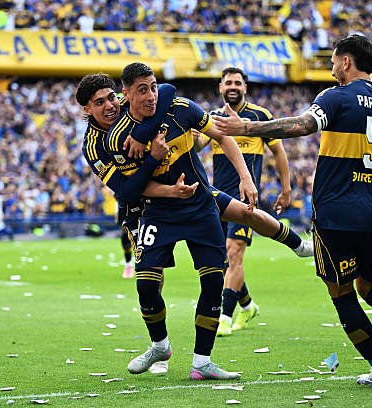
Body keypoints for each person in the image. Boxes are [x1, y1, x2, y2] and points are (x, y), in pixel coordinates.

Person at [213, 35, 372, 386]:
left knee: (342, 293)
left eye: (333, 62)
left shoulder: (335, 97)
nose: (332, 69)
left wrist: (247, 127)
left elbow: (302, 125)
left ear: (346, 62)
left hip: (335, 215)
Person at [106, 62, 261, 381]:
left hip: (200, 206)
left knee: (213, 280)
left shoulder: (181, 108)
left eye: (153, 87)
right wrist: (168, 188)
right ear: (126, 94)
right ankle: (159, 345)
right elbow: (134, 187)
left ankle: (202, 361)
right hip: (158, 211)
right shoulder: (119, 135)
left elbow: (221, 135)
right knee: (146, 284)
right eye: (141, 90)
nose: (150, 96)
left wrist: (245, 178)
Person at [76, 73, 193, 375]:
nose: (110, 106)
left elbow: (167, 89)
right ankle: (160, 345)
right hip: (139, 207)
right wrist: (151, 158)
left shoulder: (130, 104)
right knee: (151, 279)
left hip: (175, 188)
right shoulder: (93, 146)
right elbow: (126, 191)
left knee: (232, 223)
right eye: (99, 102)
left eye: (111, 97)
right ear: (87, 109)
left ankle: (296, 245)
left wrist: (141, 135)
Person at [194, 67, 296, 337]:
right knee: (222, 260)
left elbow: (279, 152)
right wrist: (191, 140)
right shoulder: (212, 118)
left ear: (245, 88)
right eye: (228, 82)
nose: (233, 86)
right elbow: (198, 146)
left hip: (246, 199)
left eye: (237, 83)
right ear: (220, 87)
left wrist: (286, 189)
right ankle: (248, 305)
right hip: (219, 200)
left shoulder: (260, 116)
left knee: (234, 252)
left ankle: (224, 317)